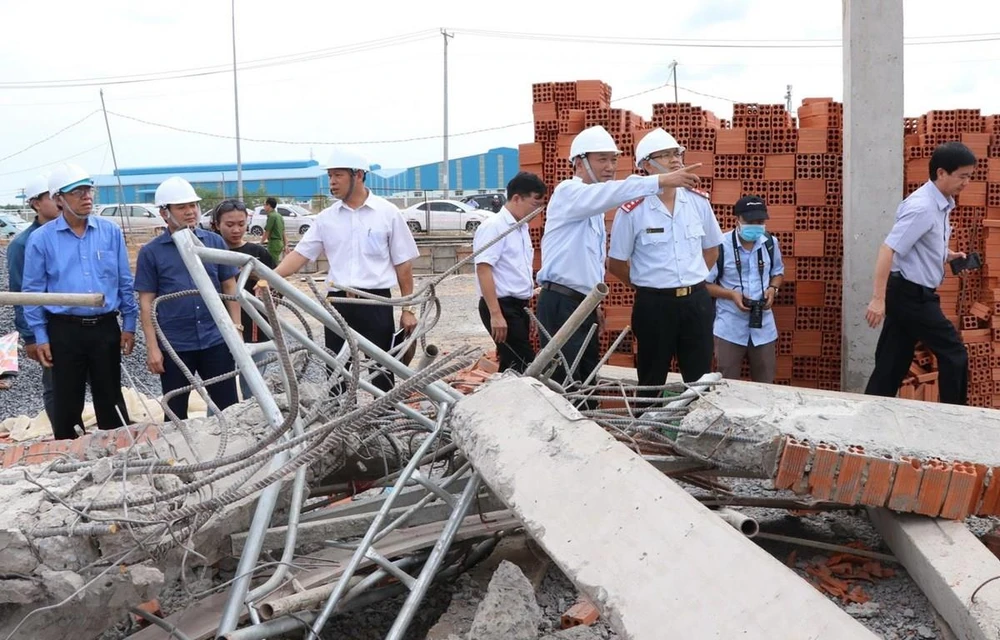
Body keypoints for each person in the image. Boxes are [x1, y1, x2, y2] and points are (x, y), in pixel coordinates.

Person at [536, 125, 702, 388]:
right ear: (579, 162)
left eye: (613, 159)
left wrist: (593, 303)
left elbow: (589, 261)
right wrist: (661, 181)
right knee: (563, 380)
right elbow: (613, 192)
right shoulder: (569, 192)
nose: (610, 166)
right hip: (560, 303)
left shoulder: (595, 206)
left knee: (585, 379)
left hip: (582, 304)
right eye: (602, 159)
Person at [262, 148, 419, 392]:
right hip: (337, 304)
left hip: (376, 302)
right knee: (337, 371)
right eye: (330, 177)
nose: (332, 183)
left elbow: (404, 265)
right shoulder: (326, 218)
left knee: (382, 371)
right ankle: (342, 424)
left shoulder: (388, 214)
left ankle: (382, 422)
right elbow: (300, 255)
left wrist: (408, 309)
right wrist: (270, 278)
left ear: (358, 175)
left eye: (338, 176)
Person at [21, 163, 137, 439]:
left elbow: (124, 281)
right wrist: (40, 335)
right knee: (66, 402)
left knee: (110, 397)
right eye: (78, 192)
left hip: (105, 328)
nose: (87, 197)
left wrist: (130, 324)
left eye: (89, 190)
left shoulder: (110, 232)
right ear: (59, 199)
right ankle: (70, 458)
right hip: (63, 330)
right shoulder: (41, 240)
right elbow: (32, 292)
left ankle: (118, 455)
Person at [608, 129, 723, 395]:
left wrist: (689, 280)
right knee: (651, 379)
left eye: (677, 153)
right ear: (647, 165)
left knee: (699, 381)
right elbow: (616, 263)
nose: (675, 160)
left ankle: (695, 433)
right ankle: (646, 431)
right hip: (654, 306)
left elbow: (711, 251)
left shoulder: (697, 201)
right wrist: (650, 285)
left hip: (696, 303)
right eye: (666, 155)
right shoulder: (632, 209)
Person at [865, 141, 977, 405]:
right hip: (911, 295)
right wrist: (878, 299)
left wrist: (947, 254)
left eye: (969, 177)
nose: (966, 183)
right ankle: (954, 416)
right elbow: (887, 249)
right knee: (954, 353)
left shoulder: (940, 202)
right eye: (962, 176)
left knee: (892, 362)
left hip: (910, 292)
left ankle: (871, 413)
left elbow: (922, 241)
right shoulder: (923, 207)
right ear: (941, 173)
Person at [135, 177, 242, 419]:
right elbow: (146, 303)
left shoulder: (213, 242)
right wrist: (152, 347)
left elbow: (229, 286)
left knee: (227, 407)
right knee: (175, 411)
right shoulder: (151, 253)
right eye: (182, 207)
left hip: (215, 339)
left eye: (193, 205)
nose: (190, 211)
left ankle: (231, 454)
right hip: (175, 344)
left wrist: (236, 328)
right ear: (165, 213)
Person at [473, 172, 547, 373]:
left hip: (517, 307)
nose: (538, 211)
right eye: (534, 204)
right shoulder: (495, 227)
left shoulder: (521, 228)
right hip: (501, 306)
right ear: (516, 198)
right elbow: (484, 269)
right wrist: (496, 314)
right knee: (524, 365)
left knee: (512, 365)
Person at [706, 195, 785, 383]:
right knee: (726, 383)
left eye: (760, 221)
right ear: (737, 220)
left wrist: (773, 289)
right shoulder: (720, 245)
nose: (756, 226)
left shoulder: (770, 243)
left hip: (763, 326)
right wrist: (732, 295)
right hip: (730, 326)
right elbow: (705, 285)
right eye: (750, 221)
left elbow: (778, 272)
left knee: (765, 383)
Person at [8, 174, 63, 422]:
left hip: (78, 322)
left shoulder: (70, 234)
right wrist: (30, 335)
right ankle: (64, 435)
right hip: (47, 327)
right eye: (50, 197)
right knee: (55, 385)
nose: (57, 202)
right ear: (35, 203)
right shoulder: (22, 244)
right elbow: (21, 293)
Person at [211, 198, 276, 400]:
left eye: (241, 224)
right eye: (229, 225)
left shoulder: (258, 254)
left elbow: (277, 289)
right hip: (218, 327)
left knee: (253, 385)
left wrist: (262, 280)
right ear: (216, 224)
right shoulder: (210, 252)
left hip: (254, 326)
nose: (236, 230)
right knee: (220, 385)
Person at [261, 197, 286, 265]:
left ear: (269, 205)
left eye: (265, 205)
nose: (264, 207)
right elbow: (283, 231)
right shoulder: (279, 216)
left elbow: (267, 231)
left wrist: (261, 243)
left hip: (274, 243)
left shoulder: (271, 216)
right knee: (275, 262)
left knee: (272, 264)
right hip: (280, 243)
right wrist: (286, 244)